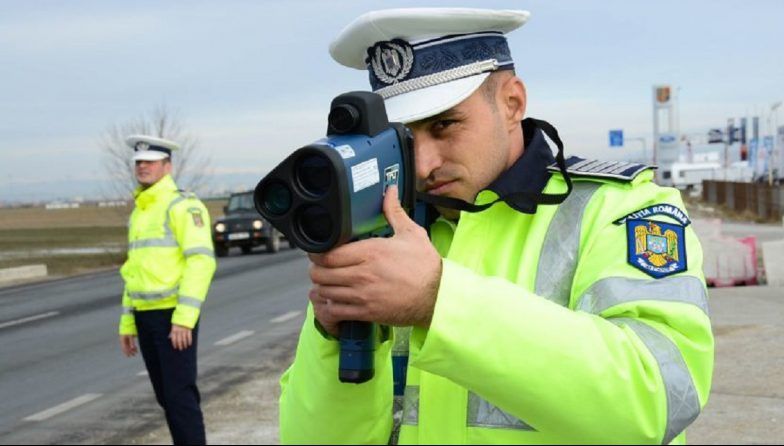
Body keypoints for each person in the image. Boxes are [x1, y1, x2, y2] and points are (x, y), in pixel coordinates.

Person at [280, 8, 713, 445]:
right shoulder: (383, 235)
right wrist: (332, 338)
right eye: (404, 140)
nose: (425, 164)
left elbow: (658, 399)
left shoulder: (621, 208)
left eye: (445, 124)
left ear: (512, 102)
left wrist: (438, 300)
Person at [118, 135, 216, 445]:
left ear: (167, 165)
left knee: (179, 398)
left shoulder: (183, 205)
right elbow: (133, 271)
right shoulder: (141, 211)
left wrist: (184, 318)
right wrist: (127, 322)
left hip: (174, 318)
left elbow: (202, 261)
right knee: (166, 398)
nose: (143, 166)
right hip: (145, 317)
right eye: (138, 162)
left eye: (150, 161)